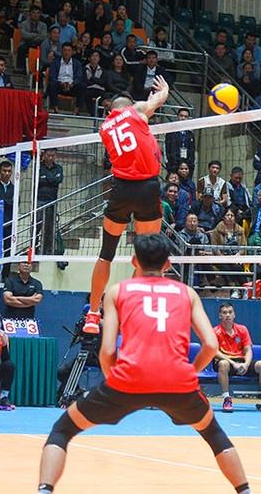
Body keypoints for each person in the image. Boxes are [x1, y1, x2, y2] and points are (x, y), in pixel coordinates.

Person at [37, 234, 251, 494]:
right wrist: (189, 373)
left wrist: (114, 382)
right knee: (215, 435)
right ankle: (245, 491)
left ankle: (45, 489)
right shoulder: (187, 293)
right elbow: (210, 345)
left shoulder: (117, 292)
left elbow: (107, 350)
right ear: (168, 264)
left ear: (134, 261)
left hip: (127, 381)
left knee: (62, 430)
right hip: (178, 383)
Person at [83, 75, 170, 334]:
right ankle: (127, 311)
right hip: (147, 189)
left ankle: (93, 314)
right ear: (130, 105)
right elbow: (158, 100)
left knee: (105, 254)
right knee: (146, 258)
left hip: (120, 189)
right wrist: (163, 90)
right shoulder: (137, 112)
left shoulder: (104, 128)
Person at [213, 303, 261, 413]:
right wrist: (233, 363)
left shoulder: (242, 329)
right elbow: (214, 351)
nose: (227, 315)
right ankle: (226, 399)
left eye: (230, 312)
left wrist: (246, 364)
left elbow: (248, 350)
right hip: (225, 362)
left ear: (234, 315)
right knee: (223, 364)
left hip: (242, 363)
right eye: (224, 313)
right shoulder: (215, 331)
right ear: (220, 316)